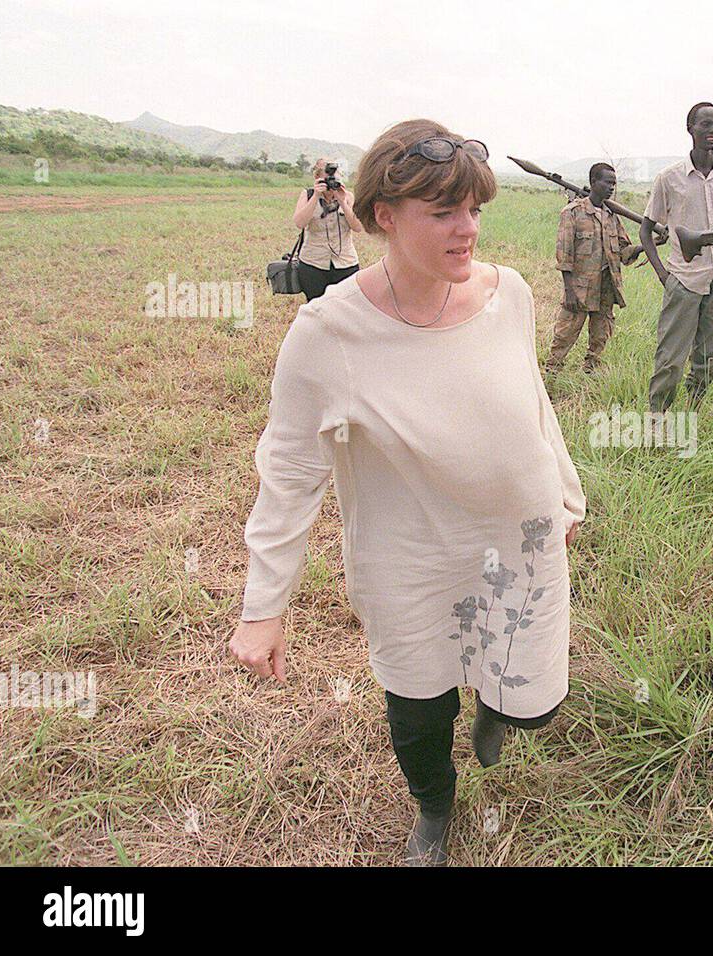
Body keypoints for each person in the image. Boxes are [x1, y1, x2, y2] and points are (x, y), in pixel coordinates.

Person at [230, 119, 586, 866]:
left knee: (533, 700)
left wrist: (564, 495)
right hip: (413, 559)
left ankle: (498, 703)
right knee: (421, 712)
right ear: (383, 216)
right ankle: (434, 808)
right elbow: (290, 475)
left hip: (519, 544)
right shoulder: (328, 334)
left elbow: (533, 403)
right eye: (445, 214)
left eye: (476, 211)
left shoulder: (510, 293)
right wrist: (264, 608)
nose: (468, 231)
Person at [640, 102, 713, 412]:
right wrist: (664, 276)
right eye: (706, 125)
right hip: (683, 278)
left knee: (708, 358)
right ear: (690, 129)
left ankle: (693, 411)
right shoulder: (669, 178)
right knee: (670, 359)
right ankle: (658, 419)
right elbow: (646, 230)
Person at [546, 163, 642, 374]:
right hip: (579, 290)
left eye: (614, 184)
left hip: (606, 290)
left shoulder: (611, 216)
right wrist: (569, 291)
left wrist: (648, 245)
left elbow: (624, 253)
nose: (611, 187)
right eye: (607, 182)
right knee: (564, 337)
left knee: (600, 338)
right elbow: (564, 256)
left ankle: (591, 373)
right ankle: (551, 377)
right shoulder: (573, 213)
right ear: (593, 182)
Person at [291, 157, 365, 301]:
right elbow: (300, 223)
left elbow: (358, 227)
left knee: (347, 306)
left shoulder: (348, 196)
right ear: (317, 179)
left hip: (345, 262)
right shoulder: (307, 195)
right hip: (313, 263)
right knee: (316, 306)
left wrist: (343, 202)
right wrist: (316, 196)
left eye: (334, 180)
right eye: (326, 181)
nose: (331, 185)